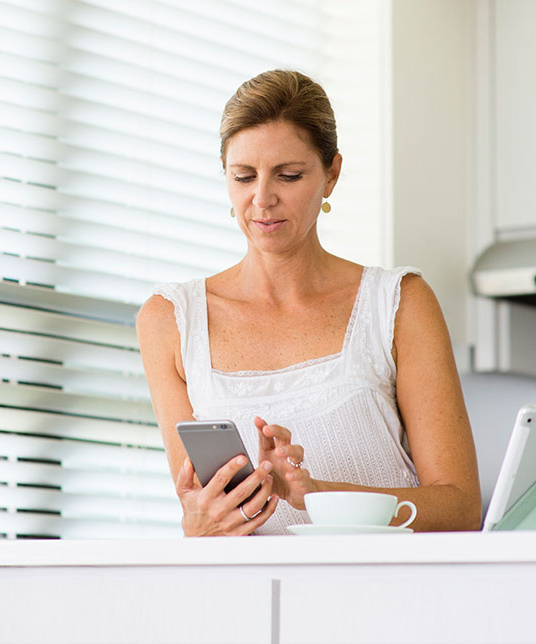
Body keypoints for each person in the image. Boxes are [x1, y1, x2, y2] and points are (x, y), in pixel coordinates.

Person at [136, 70, 482, 536]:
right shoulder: (171, 320)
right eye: (243, 176)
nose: (262, 199)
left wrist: (318, 495)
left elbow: (461, 507)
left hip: (383, 581)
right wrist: (199, 525)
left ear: (331, 174)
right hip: (247, 584)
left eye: (289, 175)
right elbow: (204, 514)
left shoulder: (399, 303)